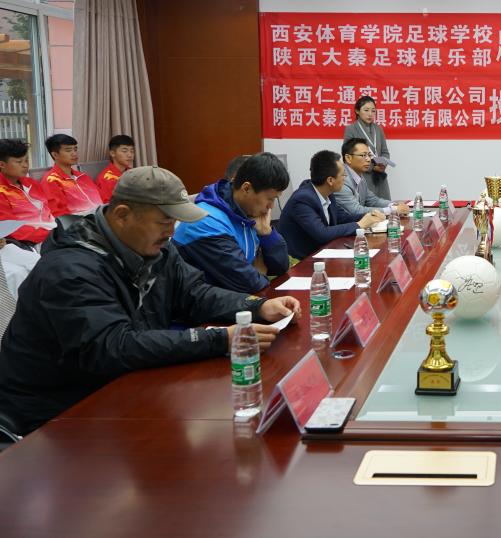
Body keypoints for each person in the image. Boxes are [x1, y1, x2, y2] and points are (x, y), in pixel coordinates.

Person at [0, 166, 301, 435]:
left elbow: (195, 294)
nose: (171, 232)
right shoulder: (70, 270)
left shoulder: (157, 249)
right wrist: (219, 339)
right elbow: (113, 346)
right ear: (122, 215)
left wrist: (256, 306)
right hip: (57, 413)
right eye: (164, 221)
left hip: (124, 388)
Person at [172, 152, 290, 293]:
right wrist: (258, 272)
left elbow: (281, 267)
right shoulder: (207, 222)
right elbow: (251, 284)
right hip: (197, 304)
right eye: (270, 199)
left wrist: (267, 234)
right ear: (246, 188)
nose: (271, 206)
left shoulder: (247, 213)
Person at [278, 150, 385, 260]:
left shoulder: (328, 194)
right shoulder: (302, 200)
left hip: (322, 255)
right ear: (330, 180)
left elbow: (343, 218)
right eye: (343, 175)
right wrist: (359, 225)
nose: (345, 178)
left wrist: (369, 216)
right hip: (300, 262)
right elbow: (322, 234)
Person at [0, 139, 55, 246]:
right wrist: (48, 235)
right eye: (19, 162)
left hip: (53, 231)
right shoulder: (2, 192)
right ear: (2, 164)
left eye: (26, 160)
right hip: (30, 241)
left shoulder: (31, 183)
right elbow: (10, 228)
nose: (25, 165)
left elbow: (49, 208)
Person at [337, 138, 408, 218]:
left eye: (369, 155)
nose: (368, 160)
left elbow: (373, 200)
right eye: (363, 155)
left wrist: (394, 204)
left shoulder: (359, 176)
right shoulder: (341, 179)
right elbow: (355, 211)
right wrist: (392, 210)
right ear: (348, 158)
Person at [343, 96, 393, 200]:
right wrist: (372, 167)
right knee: (367, 206)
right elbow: (348, 155)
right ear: (357, 111)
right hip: (362, 176)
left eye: (373, 111)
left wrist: (383, 164)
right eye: (366, 110)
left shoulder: (378, 129)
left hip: (380, 176)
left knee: (384, 206)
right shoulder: (351, 129)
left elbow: (385, 151)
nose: (370, 114)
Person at [41, 133, 103, 216]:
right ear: (55, 155)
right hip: (81, 221)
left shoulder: (83, 176)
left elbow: (102, 198)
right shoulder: (51, 180)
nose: (74, 153)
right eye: (68, 150)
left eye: (75, 149)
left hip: (102, 216)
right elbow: (59, 214)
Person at [96, 135, 135, 203]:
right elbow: (109, 205)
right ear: (112, 153)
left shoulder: (133, 172)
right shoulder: (106, 179)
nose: (130, 155)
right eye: (124, 151)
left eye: (132, 151)